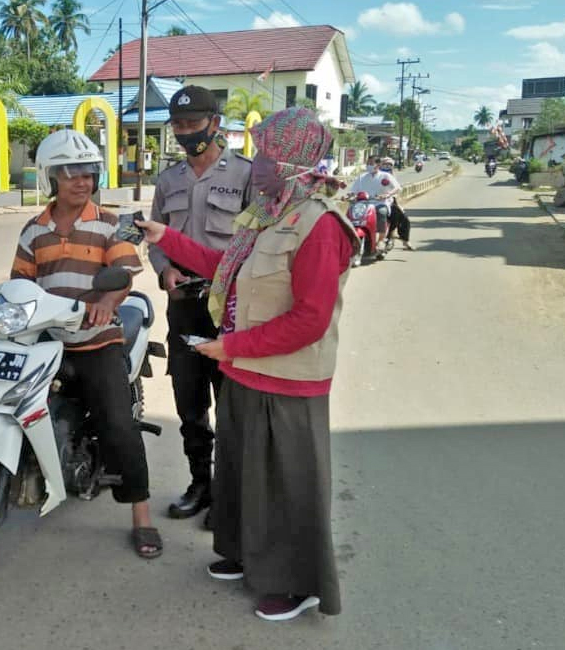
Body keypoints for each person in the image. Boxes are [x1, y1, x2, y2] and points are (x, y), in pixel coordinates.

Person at [136, 107, 356, 621]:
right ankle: (244, 556)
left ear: (289, 162)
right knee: (241, 474)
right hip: (246, 372)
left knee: (287, 483)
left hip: (288, 380)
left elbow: (310, 319)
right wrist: (163, 237)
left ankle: (297, 583)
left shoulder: (320, 225)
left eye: (264, 154)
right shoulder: (269, 212)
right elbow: (222, 267)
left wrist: (232, 348)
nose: (254, 164)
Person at [11, 129, 162, 559]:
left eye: (88, 172)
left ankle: (141, 514)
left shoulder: (109, 223)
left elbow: (125, 274)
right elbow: (21, 283)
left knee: (118, 424)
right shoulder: (33, 231)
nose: (81, 180)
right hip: (46, 340)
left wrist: (103, 300)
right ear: (50, 177)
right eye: (70, 172)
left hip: (97, 339)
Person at [149, 86, 252, 526]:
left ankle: (230, 493)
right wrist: (163, 270)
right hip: (185, 305)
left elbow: (256, 243)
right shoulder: (167, 180)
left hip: (229, 308)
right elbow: (153, 237)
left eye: (194, 125)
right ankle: (200, 484)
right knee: (189, 402)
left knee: (231, 404)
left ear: (215, 124)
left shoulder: (245, 176)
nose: (186, 134)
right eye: (178, 126)